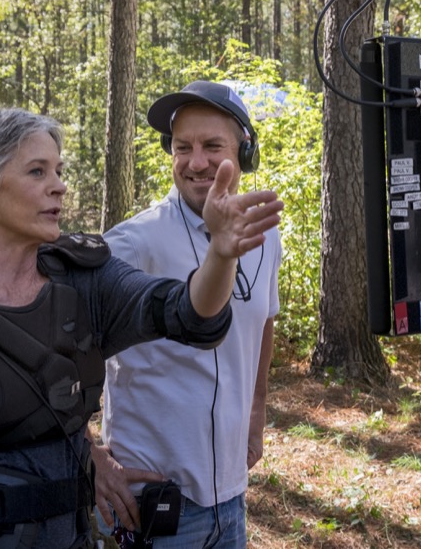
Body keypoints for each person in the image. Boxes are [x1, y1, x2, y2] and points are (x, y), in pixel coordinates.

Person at [0, 106, 282, 549]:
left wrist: (220, 255)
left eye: (58, 170)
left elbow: (189, 315)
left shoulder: (86, 282)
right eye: (37, 172)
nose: (60, 186)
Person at [92, 80, 282, 548]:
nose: (196, 162)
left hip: (230, 499)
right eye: (183, 148)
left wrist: (256, 413)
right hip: (148, 504)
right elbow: (48, 341)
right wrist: (88, 455)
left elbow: (264, 321)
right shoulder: (131, 244)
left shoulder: (263, 235)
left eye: (212, 146)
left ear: (245, 150)